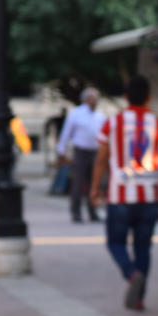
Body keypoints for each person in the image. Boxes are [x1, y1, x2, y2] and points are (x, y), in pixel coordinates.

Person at [90, 75, 158, 311]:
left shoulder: (112, 124)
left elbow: (101, 159)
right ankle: (139, 298)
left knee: (115, 242)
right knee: (143, 248)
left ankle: (131, 274)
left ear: (125, 97)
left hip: (119, 195)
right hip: (150, 196)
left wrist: (94, 187)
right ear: (149, 98)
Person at [57, 87, 106, 222]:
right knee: (78, 182)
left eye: (96, 98)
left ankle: (92, 211)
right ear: (86, 99)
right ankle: (76, 212)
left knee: (94, 182)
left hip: (95, 151)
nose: (94, 101)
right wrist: (61, 150)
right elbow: (66, 132)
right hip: (81, 151)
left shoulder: (100, 116)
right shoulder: (76, 113)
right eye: (92, 98)